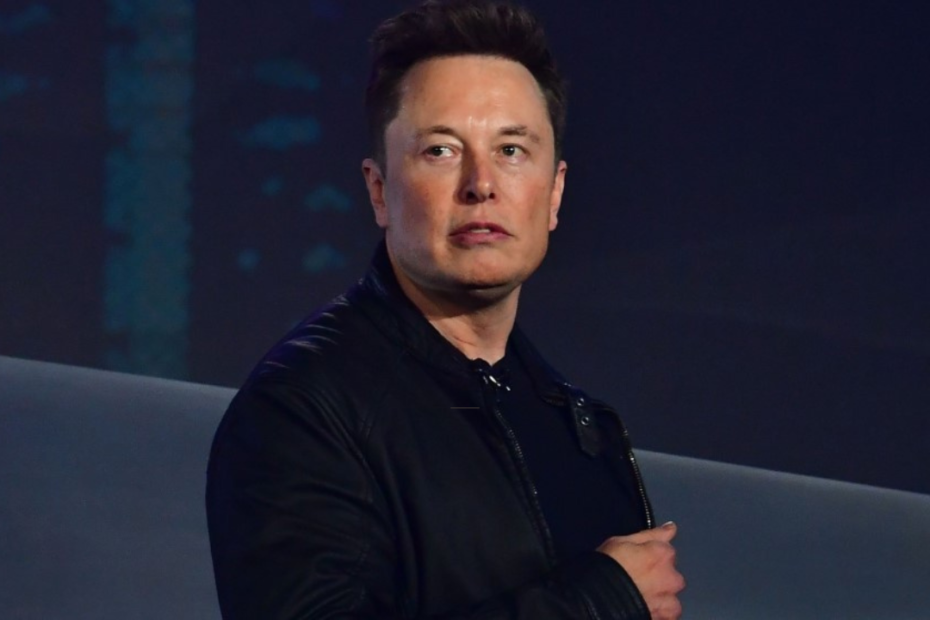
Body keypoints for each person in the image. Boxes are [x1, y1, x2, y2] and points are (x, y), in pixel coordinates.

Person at [205, 1, 685, 618]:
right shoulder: (302, 409)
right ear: (379, 190)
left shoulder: (577, 426)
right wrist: (596, 603)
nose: (481, 184)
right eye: (441, 150)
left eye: (512, 150)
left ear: (555, 193)